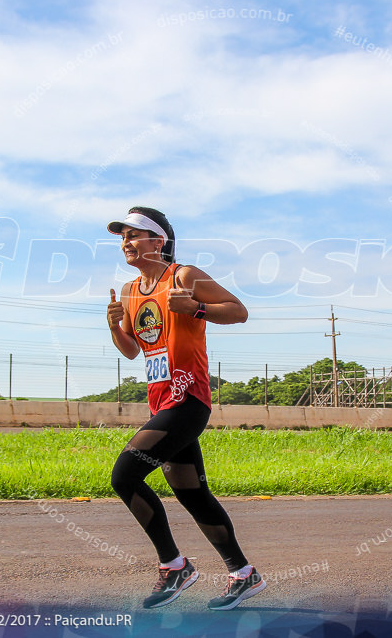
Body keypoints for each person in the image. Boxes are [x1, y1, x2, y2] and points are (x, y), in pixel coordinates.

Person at [106, 206, 266, 610]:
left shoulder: (184, 276)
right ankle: (243, 574)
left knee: (125, 475)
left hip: (188, 398)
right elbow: (131, 351)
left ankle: (174, 566)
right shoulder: (129, 291)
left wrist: (195, 308)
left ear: (158, 241)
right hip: (161, 400)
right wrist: (113, 325)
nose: (126, 242)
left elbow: (239, 311)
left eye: (134, 234)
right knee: (192, 493)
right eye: (122, 236)